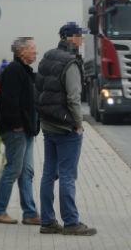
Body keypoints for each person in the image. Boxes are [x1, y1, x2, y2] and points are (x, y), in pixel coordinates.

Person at [35, 22, 97, 236]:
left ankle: (48, 222)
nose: (82, 40)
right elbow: (73, 98)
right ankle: (71, 223)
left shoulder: (48, 56)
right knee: (68, 176)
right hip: (66, 127)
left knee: (48, 174)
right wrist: (79, 124)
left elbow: (40, 88)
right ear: (72, 38)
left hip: (48, 124)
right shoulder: (71, 62)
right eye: (80, 36)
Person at [0, 37, 40, 225]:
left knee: (27, 172)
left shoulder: (25, 71)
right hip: (15, 131)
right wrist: (17, 125)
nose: (36, 51)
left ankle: (30, 213)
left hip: (26, 130)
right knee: (13, 170)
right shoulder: (13, 70)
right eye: (32, 48)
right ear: (21, 52)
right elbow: (8, 102)